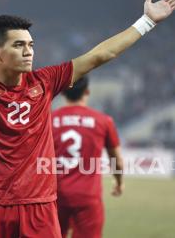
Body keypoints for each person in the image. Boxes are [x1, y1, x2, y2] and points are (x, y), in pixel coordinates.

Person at [0, 0, 175, 237]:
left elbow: (99, 55)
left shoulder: (44, 81)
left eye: (31, 45)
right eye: (19, 45)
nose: (29, 52)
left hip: (39, 209)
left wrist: (147, 21)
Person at [52, 76, 123, 238]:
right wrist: (119, 182)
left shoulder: (49, 120)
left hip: (55, 196)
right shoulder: (103, 121)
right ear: (87, 92)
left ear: (63, 93)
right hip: (87, 197)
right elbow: (117, 160)